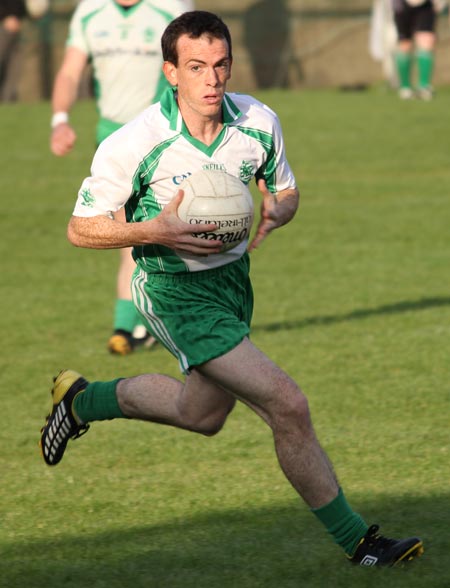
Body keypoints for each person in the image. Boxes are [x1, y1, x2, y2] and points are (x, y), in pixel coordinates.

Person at [40, 11, 424, 567]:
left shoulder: (258, 122)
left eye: (221, 65)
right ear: (171, 72)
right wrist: (156, 230)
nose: (212, 80)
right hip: (173, 291)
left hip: (232, 286)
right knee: (287, 404)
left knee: (202, 415)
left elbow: (285, 189)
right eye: (196, 67)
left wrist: (276, 212)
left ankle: (82, 400)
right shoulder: (136, 141)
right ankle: (360, 544)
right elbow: (81, 228)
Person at [50, 0, 194, 355]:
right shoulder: (90, 11)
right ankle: (134, 324)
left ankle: (135, 323)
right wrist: (60, 119)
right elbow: (70, 71)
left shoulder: (170, 8)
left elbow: (192, 68)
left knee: (164, 229)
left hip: (160, 136)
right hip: (112, 139)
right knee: (129, 231)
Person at [391, 0, 441, 100]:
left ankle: (424, 86)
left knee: (426, 41)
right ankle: (405, 87)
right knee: (405, 45)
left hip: (425, 5)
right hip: (402, 5)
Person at [0, 0, 27, 102]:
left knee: (14, 68)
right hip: (3, 25)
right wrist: (4, 16)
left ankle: (8, 103)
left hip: (17, 27)